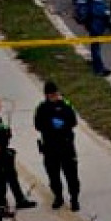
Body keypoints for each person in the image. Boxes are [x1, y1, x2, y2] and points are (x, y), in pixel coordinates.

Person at [0, 94, 37, 210]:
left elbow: (2, 130)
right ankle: (1, 205)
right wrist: (0, 138)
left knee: (12, 177)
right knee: (0, 181)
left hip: (4, 152)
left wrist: (6, 133)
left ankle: (20, 199)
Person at [34, 81, 81, 211]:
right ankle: (58, 197)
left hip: (66, 146)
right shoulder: (42, 108)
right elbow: (38, 125)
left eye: (56, 94)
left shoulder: (66, 104)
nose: (55, 96)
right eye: (52, 94)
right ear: (47, 95)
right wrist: (50, 125)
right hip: (50, 147)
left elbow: (73, 121)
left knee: (71, 175)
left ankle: (74, 199)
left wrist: (63, 125)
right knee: (53, 175)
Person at [74, 0, 111, 77]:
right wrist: (85, 18)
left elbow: (104, 3)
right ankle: (98, 69)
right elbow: (81, 5)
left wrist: (107, 15)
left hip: (102, 20)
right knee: (95, 46)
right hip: (93, 20)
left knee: (97, 45)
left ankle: (98, 66)